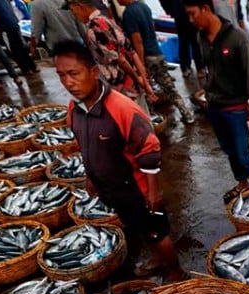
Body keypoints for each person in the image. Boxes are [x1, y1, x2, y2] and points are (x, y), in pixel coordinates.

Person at [53, 40, 186, 281]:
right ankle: (158, 259)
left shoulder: (122, 108)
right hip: (111, 189)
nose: (68, 82)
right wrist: (90, 178)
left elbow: (150, 149)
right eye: (61, 75)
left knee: (157, 231)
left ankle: (176, 271)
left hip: (138, 189)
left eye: (73, 73)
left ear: (94, 72)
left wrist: (153, 192)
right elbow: (84, 146)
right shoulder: (75, 109)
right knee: (137, 227)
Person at [184, 0, 249, 204]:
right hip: (215, 106)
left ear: (205, 9)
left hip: (236, 108)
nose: (191, 20)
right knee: (228, 149)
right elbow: (209, 69)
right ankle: (243, 182)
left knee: (244, 154)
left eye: (193, 14)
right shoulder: (201, 37)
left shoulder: (237, 37)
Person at [63, 0, 157, 115]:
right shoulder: (108, 20)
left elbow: (120, 59)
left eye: (73, 10)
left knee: (134, 123)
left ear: (79, 6)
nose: (74, 15)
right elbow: (132, 52)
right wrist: (143, 80)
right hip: (133, 85)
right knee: (143, 118)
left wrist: (139, 80)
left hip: (123, 87)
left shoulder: (95, 28)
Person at [118, 0, 195, 124]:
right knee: (169, 87)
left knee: (144, 89)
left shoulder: (129, 13)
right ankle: (186, 113)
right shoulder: (144, 6)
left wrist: (140, 65)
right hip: (157, 53)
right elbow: (152, 28)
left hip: (146, 56)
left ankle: (150, 119)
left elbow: (137, 40)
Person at [0, 0, 39, 75]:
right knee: (21, 45)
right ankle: (33, 66)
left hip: (4, 25)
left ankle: (26, 69)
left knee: (13, 49)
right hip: (13, 22)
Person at [160, 0, 204, 79]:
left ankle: (195, 67)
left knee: (193, 40)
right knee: (187, 40)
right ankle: (192, 67)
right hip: (180, 11)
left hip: (188, 9)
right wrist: (169, 10)